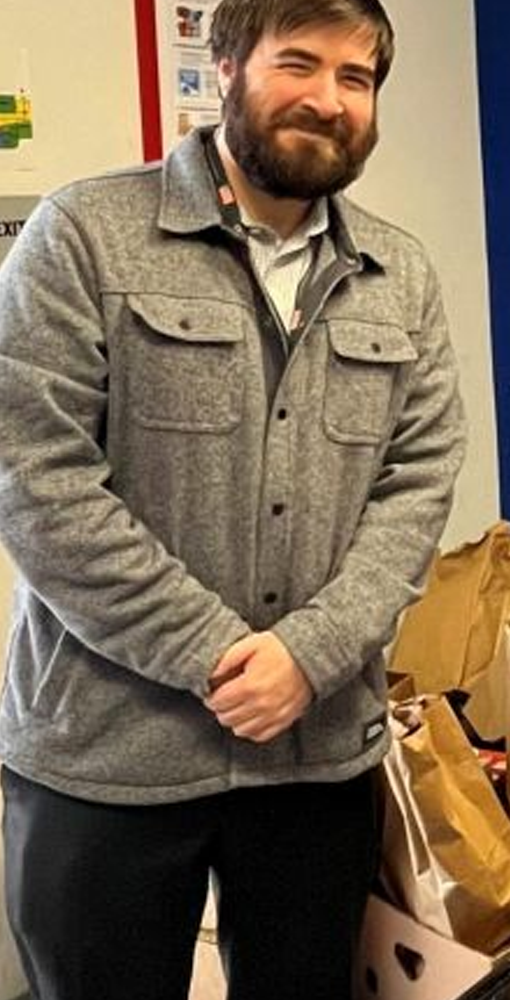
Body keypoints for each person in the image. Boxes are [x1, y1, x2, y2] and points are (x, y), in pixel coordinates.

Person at [0, 1, 465, 996]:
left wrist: (309, 652)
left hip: (316, 756)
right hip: (107, 753)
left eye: (357, 77)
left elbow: (419, 480)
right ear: (224, 67)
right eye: (297, 63)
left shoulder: (401, 273)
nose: (328, 99)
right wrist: (215, 655)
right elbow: (35, 475)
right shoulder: (84, 234)